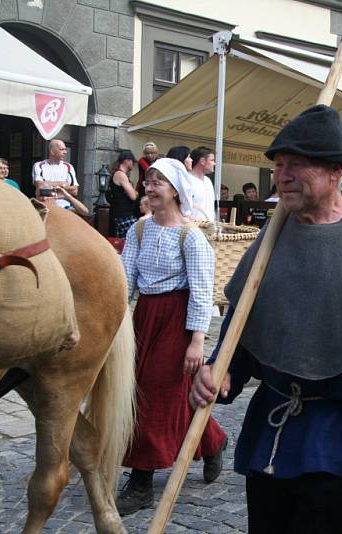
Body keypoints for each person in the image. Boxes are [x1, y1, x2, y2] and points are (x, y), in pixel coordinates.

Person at [189, 105, 342, 534]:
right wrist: (220, 371)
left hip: (333, 427)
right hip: (271, 418)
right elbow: (244, 322)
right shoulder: (273, 234)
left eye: (297, 165)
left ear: (336, 171)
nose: (283, 176)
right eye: (279, 166)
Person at [117, 158, 227, 516]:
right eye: (147, 182)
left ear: (175, 191)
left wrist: (197, 340)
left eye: (158, 182)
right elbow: (126, 279)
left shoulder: (190, 236)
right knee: (146, 389)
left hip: (177, 321)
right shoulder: (140, 229)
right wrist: (115, 319)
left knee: (154, 392)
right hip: (144, 316)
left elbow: (201, 291)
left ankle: (141, 481)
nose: (149, 188)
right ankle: (213, 441)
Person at [32, 139, 78, 209]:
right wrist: (62, 184)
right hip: (45, 206)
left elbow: (75, 191)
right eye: (61, 149)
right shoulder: (39, 165)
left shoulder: (69, 167)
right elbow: (39, 185)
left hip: (65, 207)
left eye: (65, 149)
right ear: (52, 151)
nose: (65, 152)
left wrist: (48, 185)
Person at [109, 149, 138, 237]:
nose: (133, 164)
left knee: (123, 241)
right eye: (132, 161)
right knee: (136, 236)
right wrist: (134, 192)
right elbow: (133, 196)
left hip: (121, 214)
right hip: (124, 214)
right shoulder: (120, 174)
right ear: (127, 160)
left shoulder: (119, 174)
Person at [188, 146, 216, 221]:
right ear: (202, 161)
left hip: (210, 229)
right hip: (191, 229)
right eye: (212, 160)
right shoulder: (187, 180)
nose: (214, 163)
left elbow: (211, 209)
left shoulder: (208, 181)